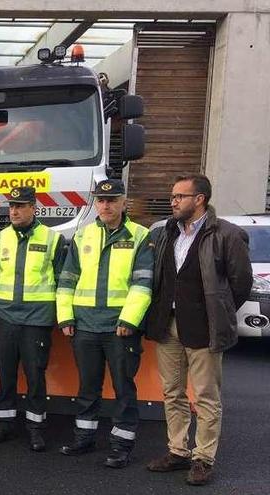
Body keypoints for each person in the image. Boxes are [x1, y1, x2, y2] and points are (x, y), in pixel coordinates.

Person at [143, 174, 252, 486]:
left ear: (200, 199)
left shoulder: (228, 235)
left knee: (206, 397)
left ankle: (203, 459)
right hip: (168, 325)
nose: (173, 201)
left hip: (205, 329)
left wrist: (217, 312)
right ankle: (178, 451)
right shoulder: (167, 231)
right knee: (172, 392)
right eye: (173, 196)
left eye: (180, 196)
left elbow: (240, 284)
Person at [56, 179, 154, 468]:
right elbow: (67, 281)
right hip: (84, 325)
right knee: (88, 386)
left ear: (124, 202)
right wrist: (65, 317)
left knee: (124, 387)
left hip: (119, 328)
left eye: (112, 200)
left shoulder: (141, 236)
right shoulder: (82, 235)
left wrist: (129, 320)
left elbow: (143, 284)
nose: (106, 205)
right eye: (100, 200)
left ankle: (121, 446)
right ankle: (84, 439)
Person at [0, 186, 65, 452]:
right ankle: (4, 425)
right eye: (11, 206)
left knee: (35, 375)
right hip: (5, 316)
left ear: (34, 207)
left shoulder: (53, 239)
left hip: (37, 318)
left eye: (20, 206)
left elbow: (62, 279)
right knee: (5, 374)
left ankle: (35, 429)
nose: (15, 211)